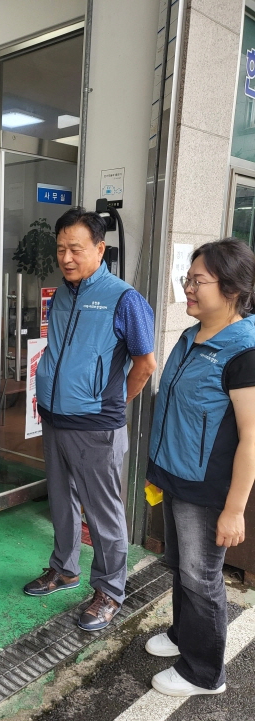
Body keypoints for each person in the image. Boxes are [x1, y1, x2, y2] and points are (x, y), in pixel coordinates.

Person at [24, 207, 157, 631]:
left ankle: (110, 591)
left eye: (75, 249)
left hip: (97, 425)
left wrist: (111, 404)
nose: (66, 257)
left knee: (104, 514)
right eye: (60, 248)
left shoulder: (125, 298)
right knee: (61, 502)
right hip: (55, 419)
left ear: (99, 249)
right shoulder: (62, 292)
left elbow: (145, 362)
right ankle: (64, 568)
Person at [146, 238, 255, 696]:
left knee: (201, 577)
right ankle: (182, 635)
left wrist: (234, 509)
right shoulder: (194, 334)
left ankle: (204, 672)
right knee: (181, 569)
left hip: (207, 489)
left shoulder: (243, 350)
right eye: (187, 279)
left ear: (230, 289)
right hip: (176, 475)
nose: (188, 288)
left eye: (198, 281)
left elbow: (252, 437)